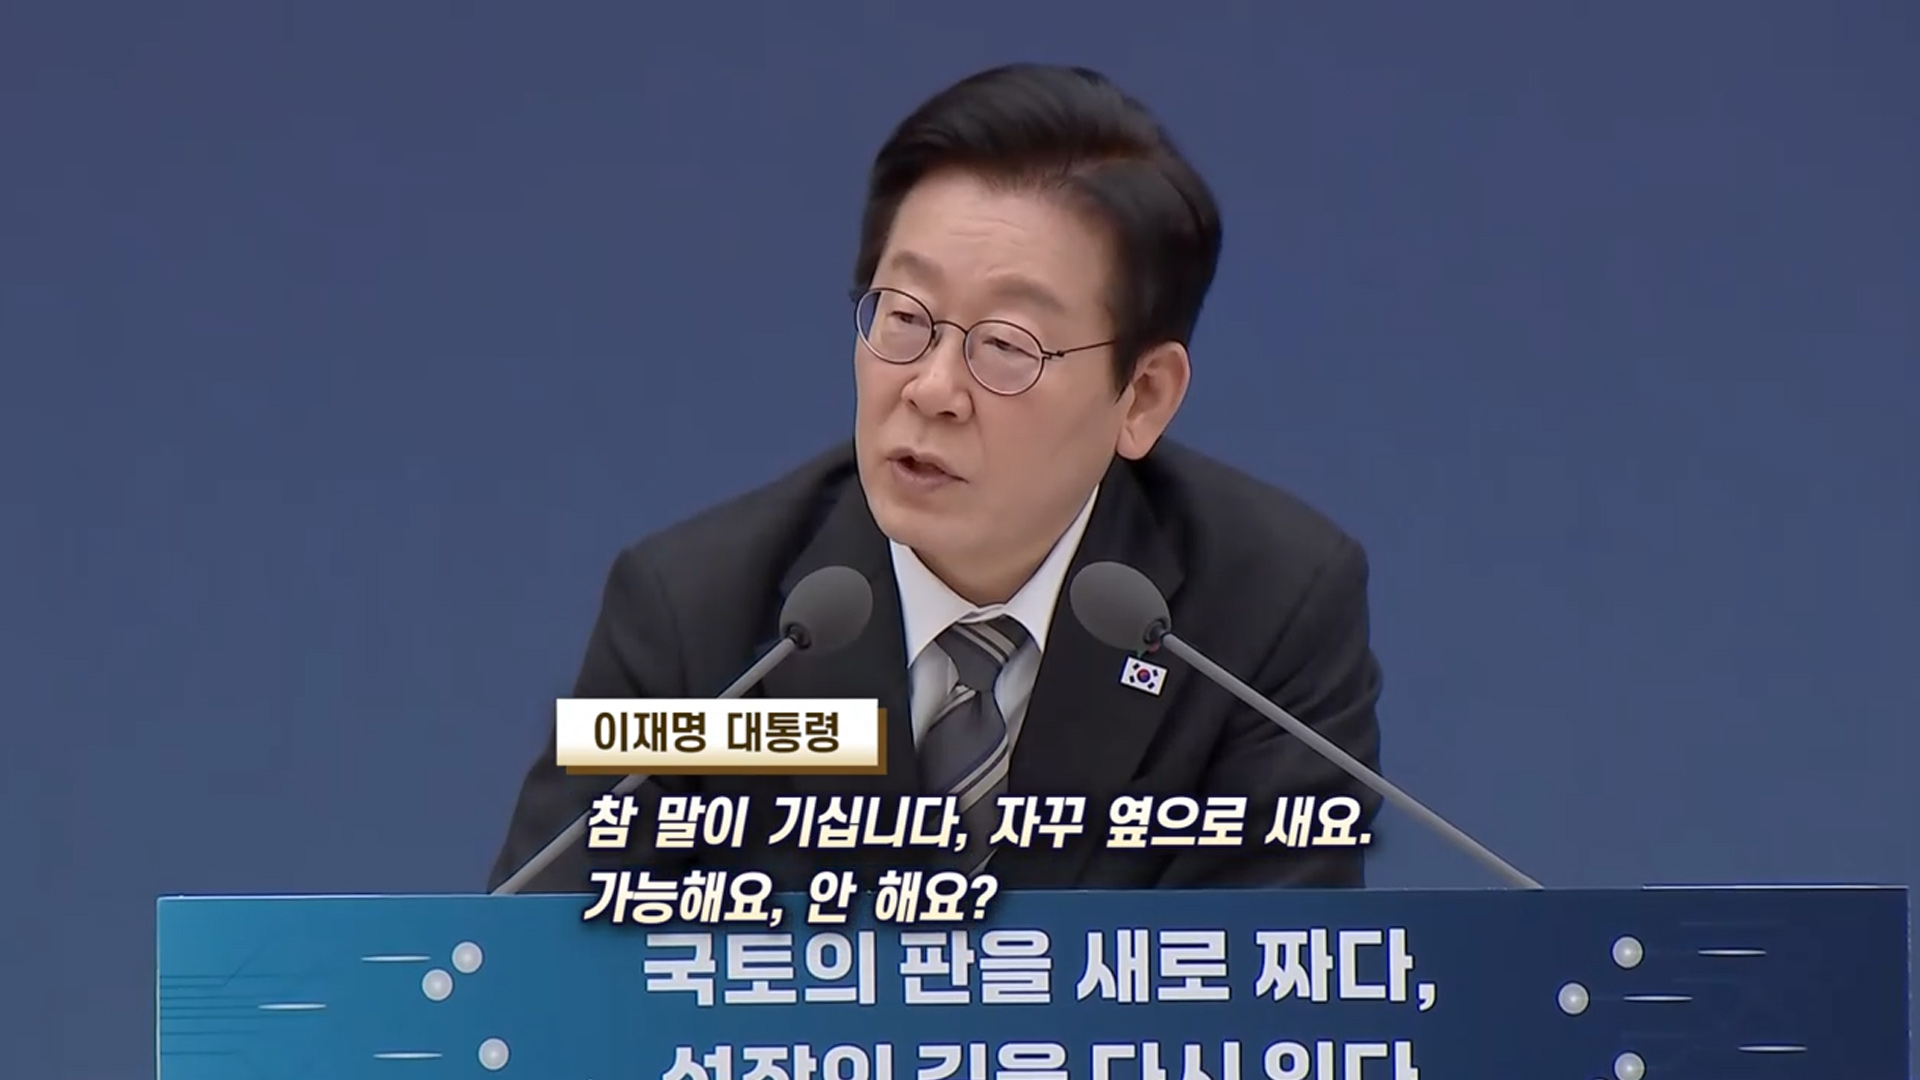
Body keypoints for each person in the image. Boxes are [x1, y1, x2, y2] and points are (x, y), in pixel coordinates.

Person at [489, 63, 1383, 894]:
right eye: (904, 317)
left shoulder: (1266, 617)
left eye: (1007, 345)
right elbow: (535, 969)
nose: (931, 389)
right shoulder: (696, 621)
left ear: (1142, 396)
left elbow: (1263, 980)